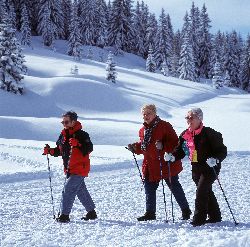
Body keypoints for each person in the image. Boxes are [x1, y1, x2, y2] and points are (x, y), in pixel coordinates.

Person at [127, 104, 191, 221]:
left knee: (174, 187)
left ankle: (186, 210)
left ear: (155, 113)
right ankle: (150, 213)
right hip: (150, 165)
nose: (146, 116)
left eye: (148, 113)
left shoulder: (165, 126)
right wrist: (135, 148)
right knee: (149, 188)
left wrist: (163, 146)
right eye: (144, 114)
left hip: (165, 162)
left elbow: (176, 144)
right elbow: (145, 147)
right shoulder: (143, 130)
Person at [165, 107, 227, 226]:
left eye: (191, 117)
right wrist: (172, 157)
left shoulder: (209, 133)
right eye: (187, 117)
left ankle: (199, 219)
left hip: (210, 168)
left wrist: (216, 159)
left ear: (199, 118)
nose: (188, 120)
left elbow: (222, 151)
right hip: (196, 169)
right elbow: (180, 151)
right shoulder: (185, 134)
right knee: (206, 191)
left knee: (201, 191)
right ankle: (215, 216)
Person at [43, 111, 97, 223]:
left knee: (68, 189)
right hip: (69, 168)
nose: (64, 124)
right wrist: (50, 151)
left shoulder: (82, 134)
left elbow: (89, 148)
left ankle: (64, 215)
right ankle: (91, 212)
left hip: (80, 167)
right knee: (80, 190)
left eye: (66, 121)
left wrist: (78, 144)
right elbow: (59, 151)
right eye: (63, 122)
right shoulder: (63, 135)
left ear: (74, 121)